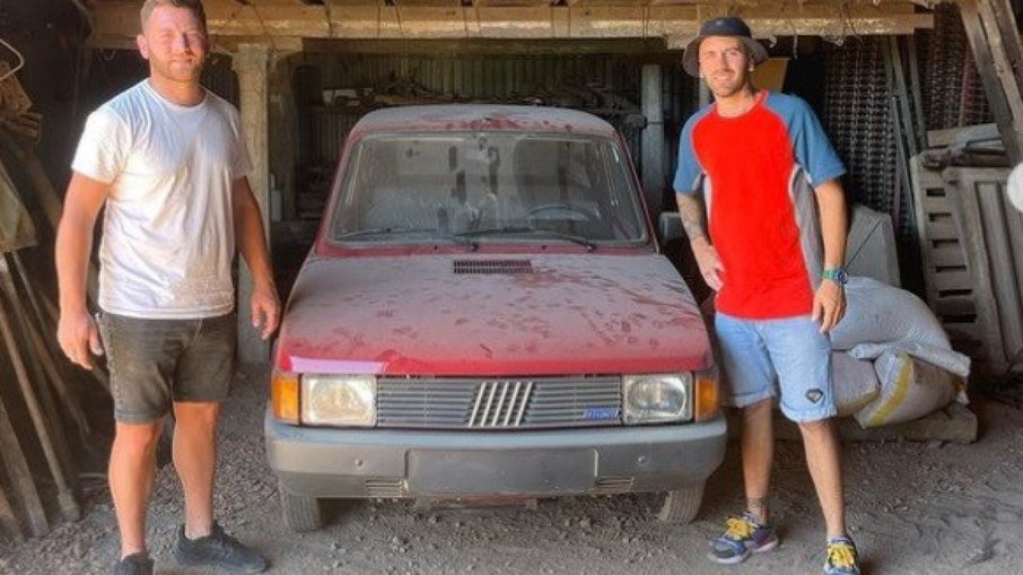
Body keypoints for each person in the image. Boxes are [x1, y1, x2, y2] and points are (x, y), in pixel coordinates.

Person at [55, 1, 279, 574]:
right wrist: (72, 309)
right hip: (136, 310)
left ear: (206, 43)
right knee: (138, 430)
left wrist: (263, 283)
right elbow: (78, 216)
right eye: (168, 34)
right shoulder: (118, 119)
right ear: (143, 45)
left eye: (191, 33)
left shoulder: (224, 117)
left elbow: (242, 201)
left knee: (201, 421)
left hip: (210, 304)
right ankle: (134, 554)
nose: (182, 44)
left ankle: (199, 534)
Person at [673, 16, 861, 575]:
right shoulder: (696, 129)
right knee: (751, 412)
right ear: (700, 65)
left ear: (750, 59)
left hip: (796, 302)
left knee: (812, 417)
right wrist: (700, 244)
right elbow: (685, 191)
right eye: (710, 56)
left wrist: (834, 276)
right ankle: (757, 521)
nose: (721, 65)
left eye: (731, 54)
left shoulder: (789, 114)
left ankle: (838, 539)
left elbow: (830, 193)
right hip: (735, 307)